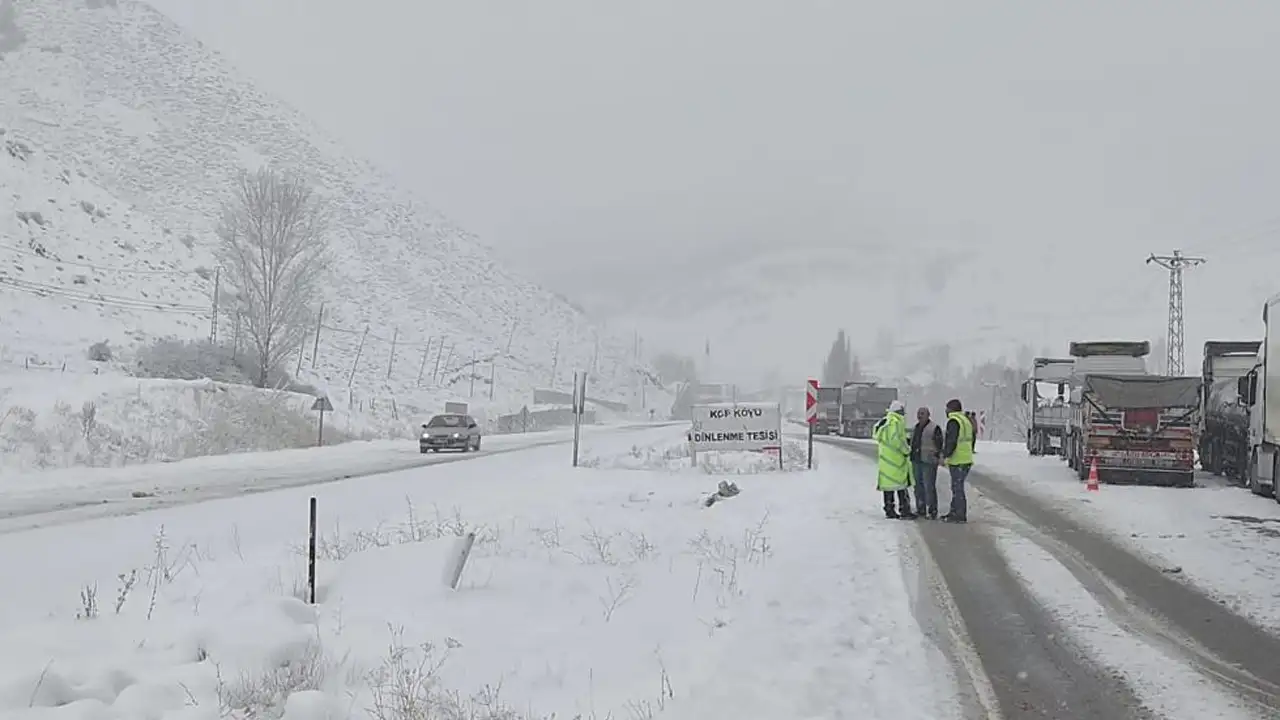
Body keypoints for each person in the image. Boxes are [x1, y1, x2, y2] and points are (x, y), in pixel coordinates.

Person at [872, 400, 916, 519]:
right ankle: (904, 510)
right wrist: (907, 450)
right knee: (902, 486)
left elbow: (877, 434)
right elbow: (897, 440)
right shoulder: (896, 422)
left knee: (888, 487)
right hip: (897, 460)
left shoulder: (884, 421)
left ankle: (889, 509)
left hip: (885, 460)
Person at [941, 399, 975, 523]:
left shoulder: (953, 421)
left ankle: (959, 514)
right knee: (957, 487)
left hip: (958, 459)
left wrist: (944, 455)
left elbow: (951, 441)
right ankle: (954, 511)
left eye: (947, 408)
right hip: (966, 458)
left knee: (957, 488)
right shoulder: (965, 420)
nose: (945, 410)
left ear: (951, 409)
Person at [909, 406, 944, 519]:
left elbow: (939, 444)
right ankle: (921, 509)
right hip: (916, 460)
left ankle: (932, 510)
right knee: (918, 486)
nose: (920, 416)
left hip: (929, 462)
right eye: (919, 413)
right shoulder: (915, 427)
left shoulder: (934, 428)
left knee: (929, 486)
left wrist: (938, 456)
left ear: (928, 415)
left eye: (922, 413)